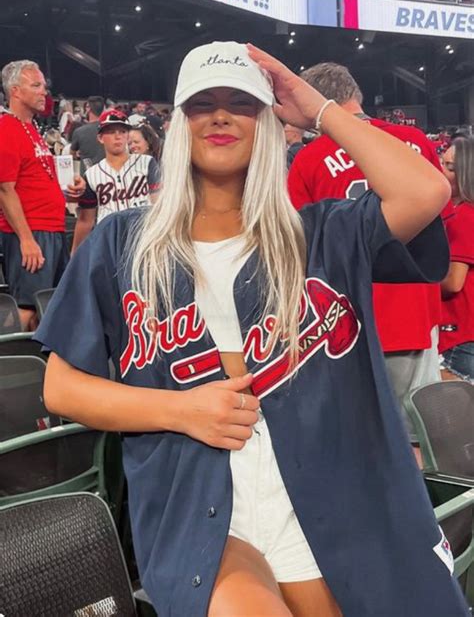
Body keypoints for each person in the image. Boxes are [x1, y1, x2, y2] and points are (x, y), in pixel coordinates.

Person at [35, 42, 468, 617]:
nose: (220, 115)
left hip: (330, 492)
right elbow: (62, 390)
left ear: (267, 121)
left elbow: (427, 191)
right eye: (200, 104)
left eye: (241, 102)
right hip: (200, 500)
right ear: (180, 124)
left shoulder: (322, 234)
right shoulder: (122, 244)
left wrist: (316, 107)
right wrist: (180, 410)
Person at [288, 62, 446, 456]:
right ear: (354, 94)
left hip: (351, 318)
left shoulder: (310, 158)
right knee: (417, 441)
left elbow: (298, 249)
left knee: (363, 442)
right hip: (416, 312)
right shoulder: (414, 139)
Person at [0, 60, 84, 330]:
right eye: (35, 85)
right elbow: (4, 189)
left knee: (47, 307)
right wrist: (26, 239)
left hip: (50, 229)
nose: (43, 92)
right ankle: (10, 368)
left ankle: (38, 369)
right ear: (15, 91)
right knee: (27, 307)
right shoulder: (6, 129)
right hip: (32, 233)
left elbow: (34, 182)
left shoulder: (32, 130)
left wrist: (70, 192)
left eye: (44, 86)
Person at [71, 109, 159, 252]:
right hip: (108, 244)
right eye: (111, 132)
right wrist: (75, 255)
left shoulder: (147, 163)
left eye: (122, 131)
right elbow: (86, 220)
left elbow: (159, 204)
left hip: (143, 238)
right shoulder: (92, 174)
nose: (118, 136)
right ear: (100, 138)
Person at [439, 137, 474, 381]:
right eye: (441, 162)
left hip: (460, 335)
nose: (440, 170)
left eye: (450, 167)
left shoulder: (463, 216)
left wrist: (414, 279)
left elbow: (453, 282)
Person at [70, 95, 105, 175]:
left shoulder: (79, 131)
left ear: (88, 108)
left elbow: (72, 154)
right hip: (106, 176)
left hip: (87, 176)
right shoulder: (109, 130)